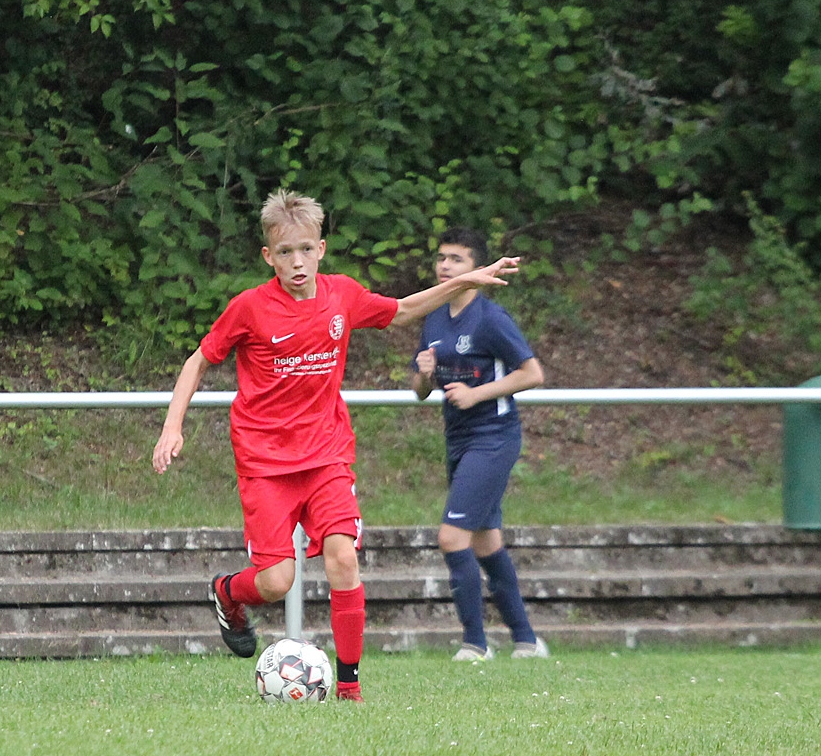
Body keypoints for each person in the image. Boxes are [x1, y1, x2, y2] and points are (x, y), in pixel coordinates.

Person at [152, 189, 519, 701]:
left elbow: (403, 309)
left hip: (326, 454)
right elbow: (199, 359)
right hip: (265, 462)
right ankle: (226, 593)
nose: (296, 262)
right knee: (277, 581)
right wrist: (173, 427)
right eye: (285, 253)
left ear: (320, 249)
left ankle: (349, 687)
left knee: (343, 559)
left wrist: (466, 281)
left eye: (305, 250)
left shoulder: (342, 295)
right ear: (268, 257)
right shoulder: (250, 309)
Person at [410, 227, 548, 661]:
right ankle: (526, 641)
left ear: (477, 268)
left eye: (457, 259)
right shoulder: (433, 316)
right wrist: (424, 374)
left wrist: (476, 394)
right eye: (442, 258)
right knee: (486, 542)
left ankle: (475, 644)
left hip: (494, 437)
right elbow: (419, 391)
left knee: (453, 538)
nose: (446, 266)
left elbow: (532, 374)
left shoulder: (490, 318)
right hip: (459, 438)